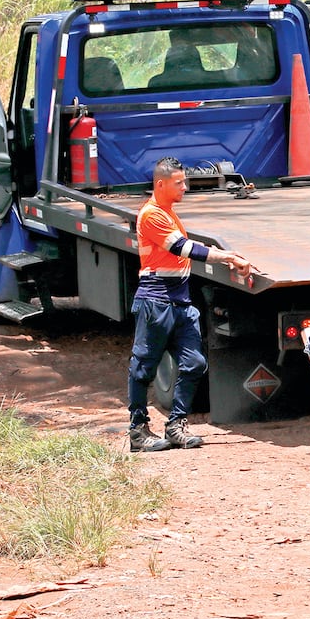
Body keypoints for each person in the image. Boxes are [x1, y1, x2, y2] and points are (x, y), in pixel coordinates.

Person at [128, 156, 252, 452]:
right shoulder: (152, 215)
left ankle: (176, 425)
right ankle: (137, 430)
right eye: (179, 183)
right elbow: (182, 248)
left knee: (194, 362)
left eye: (184, 181)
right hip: (156, 299)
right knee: (143, 367)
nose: (185, 187)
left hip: (179, 300)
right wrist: (228, 257)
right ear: (161, 184)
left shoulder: (169, 214)